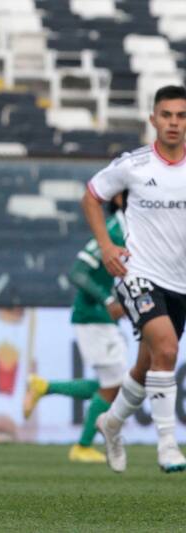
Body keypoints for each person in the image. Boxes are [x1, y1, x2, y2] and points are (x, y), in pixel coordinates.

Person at [86, 85, 186, 473]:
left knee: (150, 362)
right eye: (167, 115)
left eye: (181, 115)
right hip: (138, 273)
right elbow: (92, 196)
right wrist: (107, 247)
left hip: (179, 280)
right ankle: (167, 445)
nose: (174, 122)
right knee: (165, 347)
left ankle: (111, 423)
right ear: (153, 120)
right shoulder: (135, 165)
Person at [24, 193, 127, 463]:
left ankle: (45, 387)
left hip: (102, 318)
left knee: (113, 383)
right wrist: (107, 299)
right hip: (92, 315)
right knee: (116, 384)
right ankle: (81, 446)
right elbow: (77, 271)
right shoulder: (114, 230)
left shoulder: (133, 230)